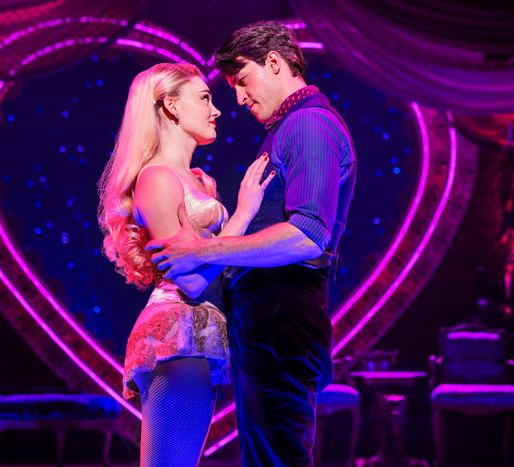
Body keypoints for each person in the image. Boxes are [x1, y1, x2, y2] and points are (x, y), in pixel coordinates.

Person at [146, 22, 357, 466]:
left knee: (276, 455)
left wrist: (203, 250)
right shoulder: (289, 128)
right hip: (268, 318)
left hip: (281, 314)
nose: (239, 99)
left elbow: (308, 234)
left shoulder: (309, 124)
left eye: (242, 80)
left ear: (274, 62)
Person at [97, 62, 275, 467]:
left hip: (202, 331)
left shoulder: (200, 180)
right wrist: (243, 214)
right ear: (172, 106)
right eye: (205, 98)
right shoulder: (157, 179)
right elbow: (191, 281)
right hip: (177, 331)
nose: (217, 110)